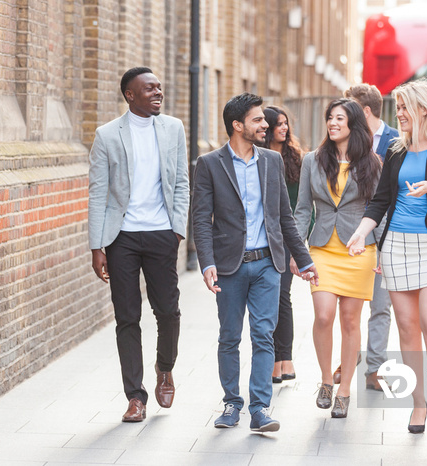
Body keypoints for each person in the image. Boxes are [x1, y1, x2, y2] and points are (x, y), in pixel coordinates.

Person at [347, 80, 427, 434]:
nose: (398, 113)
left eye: (404, 107)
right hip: (397, 245)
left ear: (423, 108)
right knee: (407, 328)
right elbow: (381, 199)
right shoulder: (397, 150)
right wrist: (361, 233)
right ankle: (419, 403)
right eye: (397, 107)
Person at [192, 93, 318, 432]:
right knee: (230, 336)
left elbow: (283, 217)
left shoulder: (271, 162)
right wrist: (207, 263)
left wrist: (303, 260)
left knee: (264, 335)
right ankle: (232, 404)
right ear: (238, 125)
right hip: (230, 266)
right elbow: (202, 219)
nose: (267, 125)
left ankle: (260, 408)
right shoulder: (209, 164)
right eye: (258, 120)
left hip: (267, 264)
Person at [88, 67, 189, 423]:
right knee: (127, 317)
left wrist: (177, 229)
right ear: (130, 95)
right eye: (149, 89)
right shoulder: (107, 135)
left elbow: (181, 183)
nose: (157, 92)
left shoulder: (173, 128)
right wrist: (97, 246)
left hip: (162, 234)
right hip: (122, 239)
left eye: (159, 87)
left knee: (168, 312)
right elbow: (98, 192)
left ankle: (165, 368)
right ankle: (135, 396)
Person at [291, 98, 382, 418]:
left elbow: (378, 211)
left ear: (353, 124)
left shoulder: (373, 163)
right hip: (321, 250)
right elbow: (302, 210)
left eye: (339, 118)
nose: (332, 123)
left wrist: (381, 250)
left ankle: (345, 392)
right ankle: (327, 381)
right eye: (330, 117)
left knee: (349, 320)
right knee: (325, 315)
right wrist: (297, 250)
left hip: (359, 251)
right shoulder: (312, 161)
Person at [330, 84, 398, 391]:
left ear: (365, 111)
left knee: (381, 303)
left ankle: (375, 368)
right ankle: (349, 359)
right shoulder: (344, 142)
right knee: (349, 305)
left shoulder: (397, 141)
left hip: (388, 229)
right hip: (351, 229)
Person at [261, 106, 304, 384]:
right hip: (261, 237)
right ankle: (275, 360)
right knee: (269, 299)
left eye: (286, 123)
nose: (283, 128)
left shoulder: (296, 159)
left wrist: (300, 241)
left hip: (286, 237)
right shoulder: (257, 157)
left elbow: (303, 204)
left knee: (281, 296)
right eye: (278, 124)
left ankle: (284, 359)